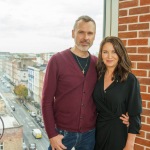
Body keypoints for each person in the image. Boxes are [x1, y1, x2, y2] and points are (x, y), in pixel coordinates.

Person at [41, 16, 129, 150]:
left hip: (90, 135)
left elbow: (109, 93)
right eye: (81, 32)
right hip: (62, 135)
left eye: (90, 33)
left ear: (94, 36)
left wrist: (126, 115)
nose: (85, 37)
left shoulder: (98, 64)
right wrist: (52, 135)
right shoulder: (57, 60)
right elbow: (46, 101)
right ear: (73, 33)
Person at [93, 36, 142, 150]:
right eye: (105, 52)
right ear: (101, 55)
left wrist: (129, 145)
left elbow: (135, 115)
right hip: (98, 133)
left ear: (120, 54)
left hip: (118, 134)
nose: (109, 56)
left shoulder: (129, 80)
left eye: (114, 52)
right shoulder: (98, 75)